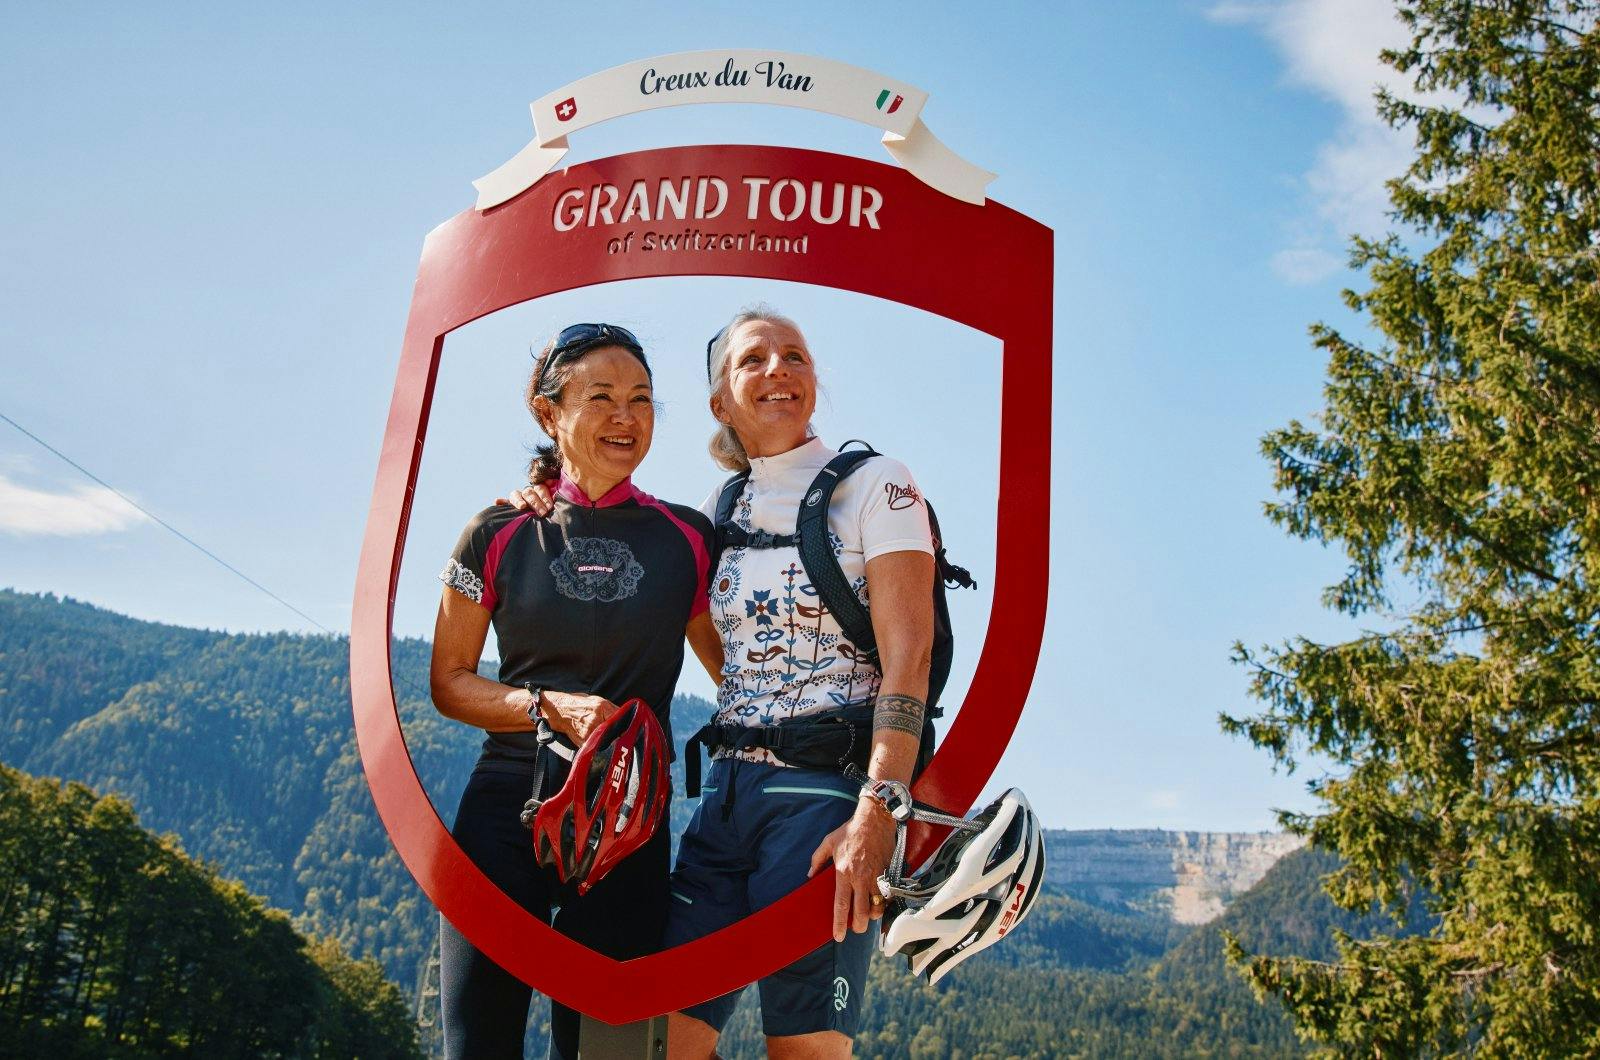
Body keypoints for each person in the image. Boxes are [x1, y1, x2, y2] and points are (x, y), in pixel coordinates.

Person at [510, 305, 935, 1058]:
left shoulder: (880, 484)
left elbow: (910, 659)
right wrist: (539, 491)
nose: (780, 370)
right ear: (720, 403)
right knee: (659, 1040)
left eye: (796, 356)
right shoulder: (719, 510)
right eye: (754, 360)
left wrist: (880, 812)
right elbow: (699, 631)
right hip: (724, 803)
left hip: (825, 800)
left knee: (803, 1048)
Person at [429, 322, 714, 1060]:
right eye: (603, 397)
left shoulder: (687, 538)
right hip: (506, 804)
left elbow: (740, 681)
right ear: (549, 412)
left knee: (608, 1053)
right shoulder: (494, 529)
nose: (627, 416)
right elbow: (450, 684)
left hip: (631, 820)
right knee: (478, 1047)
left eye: (642, 399)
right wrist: (545, 706)